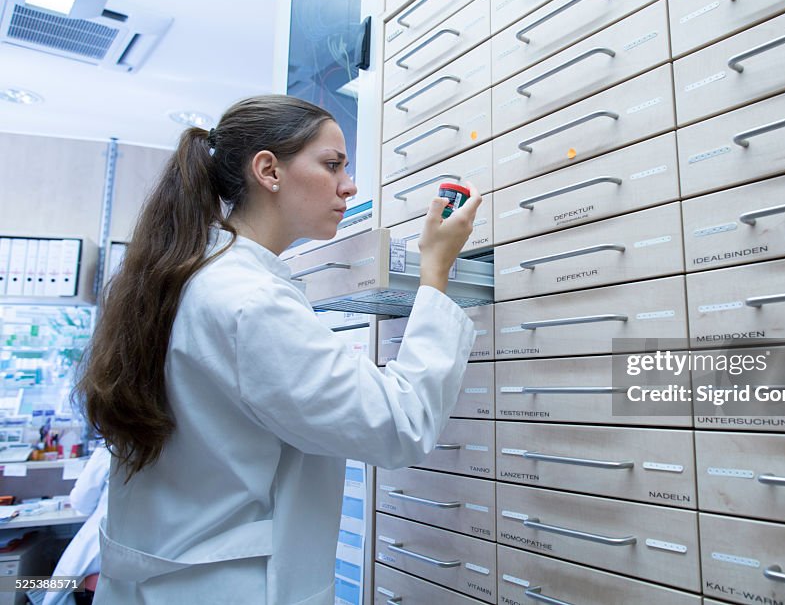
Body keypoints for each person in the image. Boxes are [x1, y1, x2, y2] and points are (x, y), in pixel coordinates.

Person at [74, 95, 482, 604]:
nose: (349, 185)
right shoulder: (250, 301)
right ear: (268, 170)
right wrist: (435, 272)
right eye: (332, 165)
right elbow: (399, 424)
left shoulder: (191, 279)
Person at [28, 444, 111, 605]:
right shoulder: (173, 452)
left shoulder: (111, 451)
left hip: (104, 564)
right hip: (160, 570)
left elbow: (82, 504)